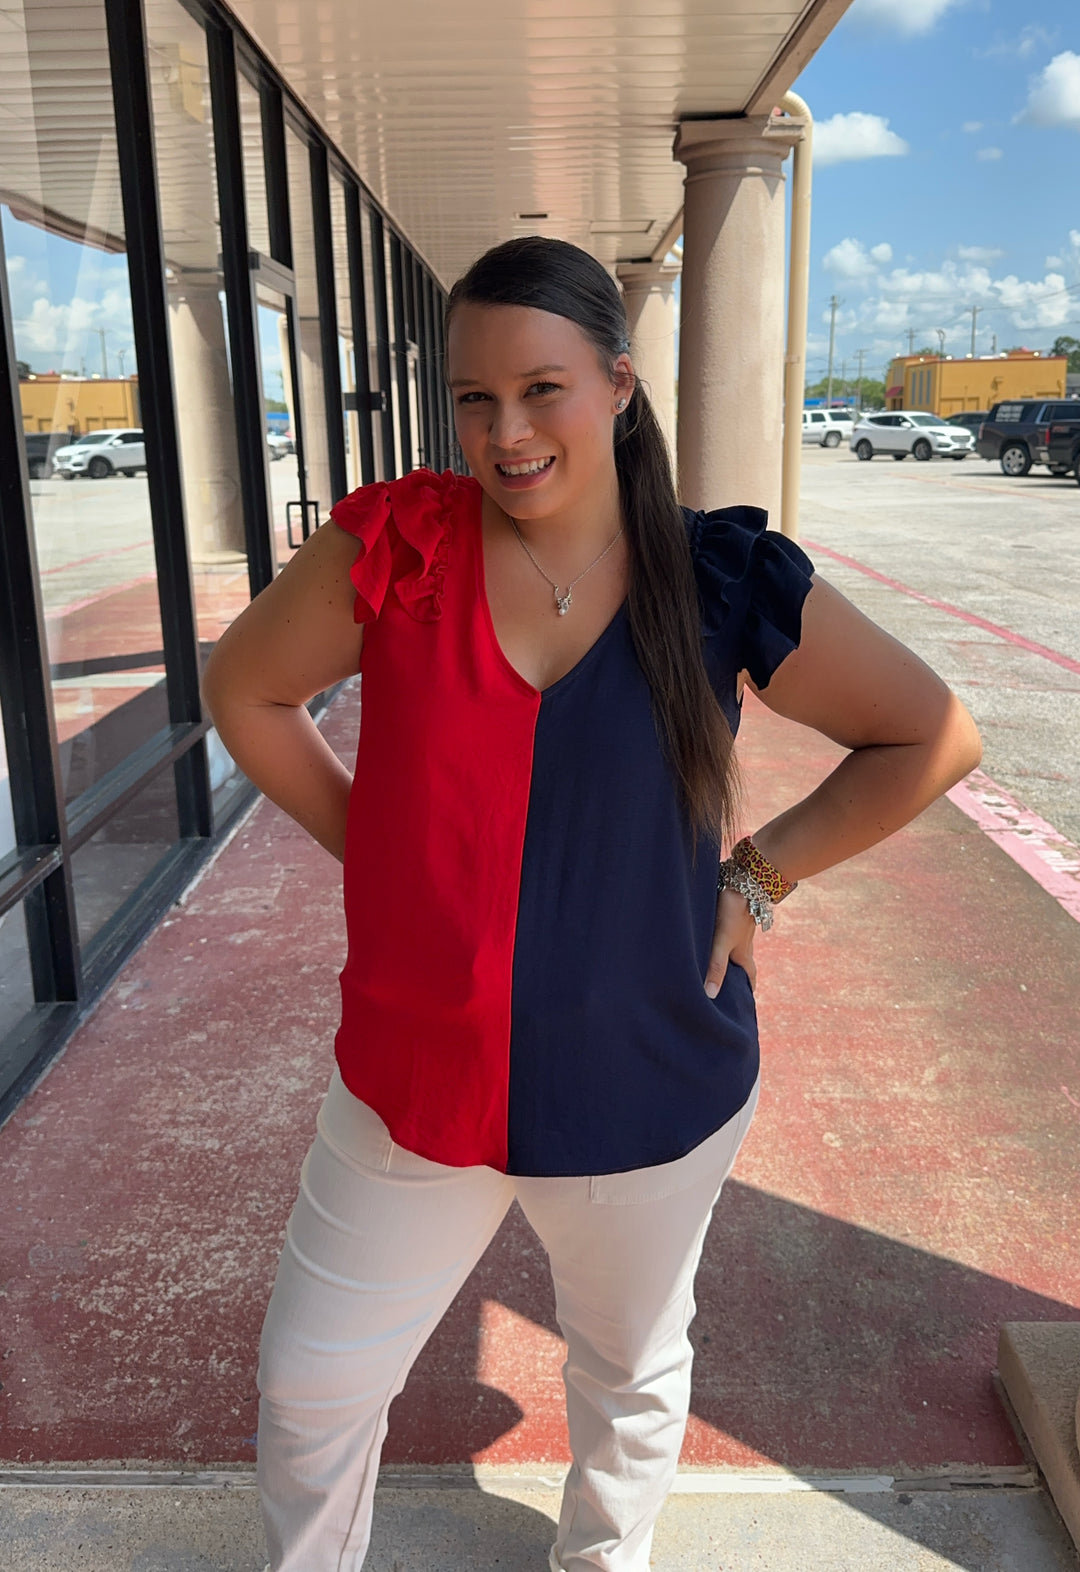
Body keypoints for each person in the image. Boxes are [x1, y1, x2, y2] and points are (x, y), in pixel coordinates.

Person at [202, 235, 983, 1572]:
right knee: (312, 1383)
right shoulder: (398, 550)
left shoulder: (721, 576)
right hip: (413, 1083)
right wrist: (378, 850)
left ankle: (600, 1562)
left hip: (651, 1086)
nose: (505, 432)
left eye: (542, 388)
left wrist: (762, 872)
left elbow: (932, 735)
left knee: (628, 1374)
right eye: (473, 399)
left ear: (621, 385)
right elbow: (246, 690)